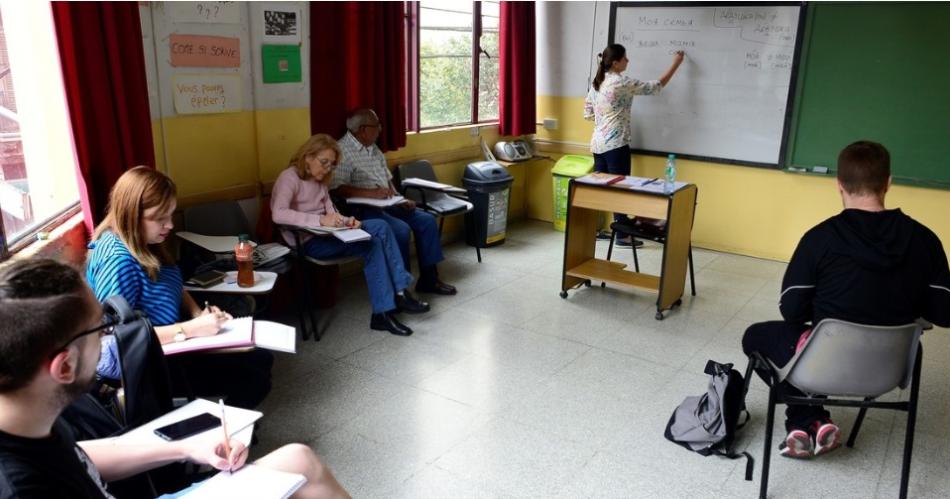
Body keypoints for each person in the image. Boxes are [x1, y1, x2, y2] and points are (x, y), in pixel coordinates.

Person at [0, 258, 350, 499]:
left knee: (299, 459)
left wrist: (184, 448)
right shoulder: (20, 487)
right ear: (63, 367)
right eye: (103, 328)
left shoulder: (30, 417)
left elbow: (78, 456)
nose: (108, 337)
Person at [741, 141, 950, 459]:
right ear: (889, 183)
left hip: (824, 361)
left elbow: (792, 311)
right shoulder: (925, 240)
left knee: (755, 336)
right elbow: (945, 313)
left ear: (839, 185)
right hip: (889, 370)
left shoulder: (819, 239)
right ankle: (811, 419)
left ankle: (806, 416)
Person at [85, 166, 273, 409]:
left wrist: (196, 313)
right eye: (159, 218)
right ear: (131, 213)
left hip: (175, 339)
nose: (170, 225)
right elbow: (120, 339)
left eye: (170, 215)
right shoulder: (119, 262)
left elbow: (171, 282)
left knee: (260, 359)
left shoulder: (144, 240)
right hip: (154, 362)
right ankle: (214, 435)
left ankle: (222, 424)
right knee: (255, 380)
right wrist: (191, 329)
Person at [271, 134, 428, 337]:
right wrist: (320, 221)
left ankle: (384, 311)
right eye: (324, 162)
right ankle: (397, 295)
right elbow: (278, 214)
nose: (327, 169)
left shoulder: (320, 181)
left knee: (379, 228)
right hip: (307, 242)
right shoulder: (289, 177)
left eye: (332, 165)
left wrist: (347, 222)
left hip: (329, 234)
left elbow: (331, 213)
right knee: (376, 240)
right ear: (308, 156)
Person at [332, 108, 457, 296]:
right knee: (400, 230)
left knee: (426, 220)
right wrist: (370, 194)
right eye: (376, 126)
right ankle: (401, 289)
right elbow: (337, 188)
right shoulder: (342, 150)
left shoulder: (373, 148)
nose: (380, 129)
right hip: (363, 209)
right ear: (362, 129)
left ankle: (429, 280)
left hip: (388, 203)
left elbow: (387, 180)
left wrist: (400, 197)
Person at [583, 44, 685, 246]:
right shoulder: (620, 82)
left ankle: (591, 231)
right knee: (620, 188)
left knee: (601, 190)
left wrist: (606, 116)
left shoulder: (598, 83)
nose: (628, 61)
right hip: (616, 144)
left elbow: (587, 113)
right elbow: (655, 86)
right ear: (615, 62)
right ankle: (622, 235)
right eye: (625, 58)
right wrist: (676, 63)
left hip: (597, 144)